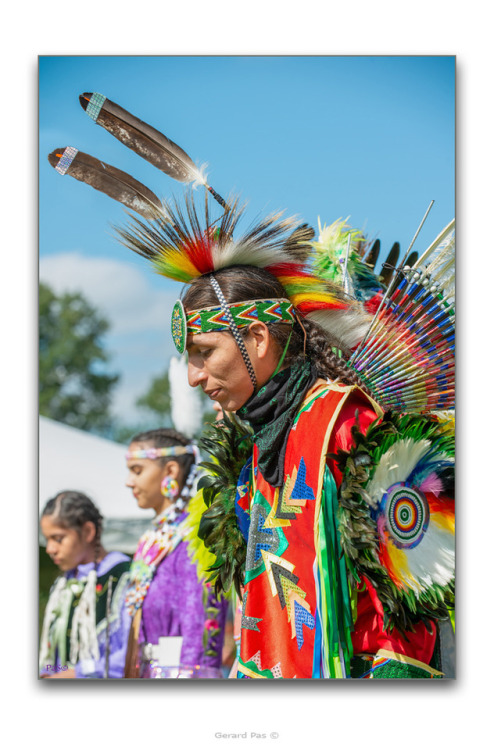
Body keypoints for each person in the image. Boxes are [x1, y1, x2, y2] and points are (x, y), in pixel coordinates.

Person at [124, 428, 228, 678]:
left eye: (137, 471)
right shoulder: (151, 539)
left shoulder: (194, 536)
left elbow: (199, 624)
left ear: (170, 471)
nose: (129, 482)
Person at [39, 491, 132, 679]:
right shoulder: (63, 584)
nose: (50, 549)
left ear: (88, 532)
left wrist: (77, 674)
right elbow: (54, 663)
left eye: (58, 539)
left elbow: (128, 656)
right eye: (47, 539)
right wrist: (45, 674)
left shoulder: (123, 577)